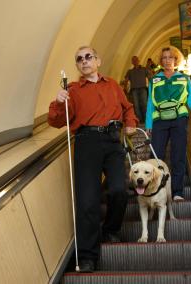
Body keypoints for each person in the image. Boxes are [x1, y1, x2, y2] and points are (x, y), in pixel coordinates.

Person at [48, 46, 138, 273]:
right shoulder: (73, 90)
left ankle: (111, 229)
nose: (84, 61)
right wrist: (59, 102)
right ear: (77, 66)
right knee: (88, 200)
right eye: (79, 59)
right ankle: (88, 256)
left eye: (88, 57)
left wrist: (130, 123)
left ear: (98, 61)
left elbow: (128, 108)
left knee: (119, 189)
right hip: (86, 142)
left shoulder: (113, 85)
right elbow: (57, 121)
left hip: (112, 140)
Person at [145, 46, 191, 201]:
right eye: (164, 58)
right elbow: (150, 103)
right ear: (161, 61)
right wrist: (149, 124)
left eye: (171, 57)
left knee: (178, 156)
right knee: (156, 156)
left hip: (179, 121)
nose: (168, 60)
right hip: (159, 121)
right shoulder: (154, 80)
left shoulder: (184, 78)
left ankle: (177, 192)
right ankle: (155, 190)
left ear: (176, 60)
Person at [124, 56, 151, 123]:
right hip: (134, 90)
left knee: (144, 104)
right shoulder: (130, 71)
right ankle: (139, 120)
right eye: (133, 60)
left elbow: (150, 77)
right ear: (132, 62)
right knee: (136, 105)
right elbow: (126, 80)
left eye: (136, 60)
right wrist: (125, 88)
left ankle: (146, 119)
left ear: (139, 60)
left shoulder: (144, 69)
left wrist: (152, 86)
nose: (135, 61)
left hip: (143, 89)